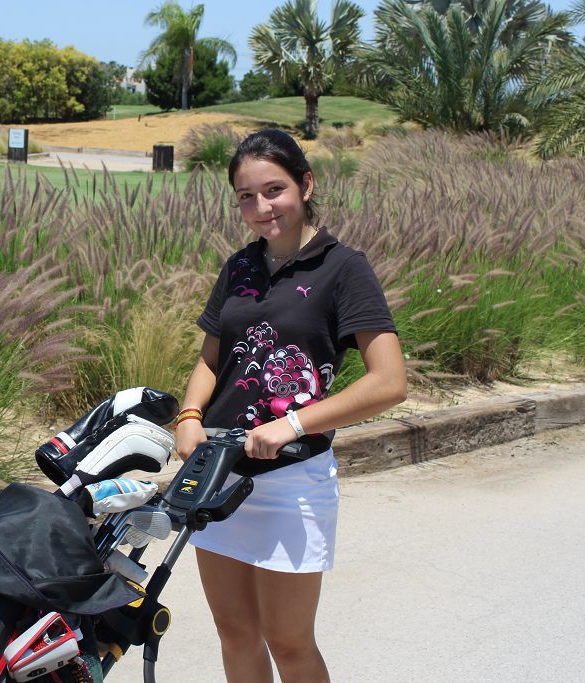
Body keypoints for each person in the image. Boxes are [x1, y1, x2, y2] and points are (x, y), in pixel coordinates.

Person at [175, 129, 407, 683]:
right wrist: (188, 417)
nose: (261, 208)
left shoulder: (343, 268)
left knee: (289, 641)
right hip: (221, 476)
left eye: (273, 190)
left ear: (305, 184)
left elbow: (389, 382)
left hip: (292, 483)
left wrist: (292, 425)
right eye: (246, 197)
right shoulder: (239, 267)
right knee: (235, 633)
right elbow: (211, 359)